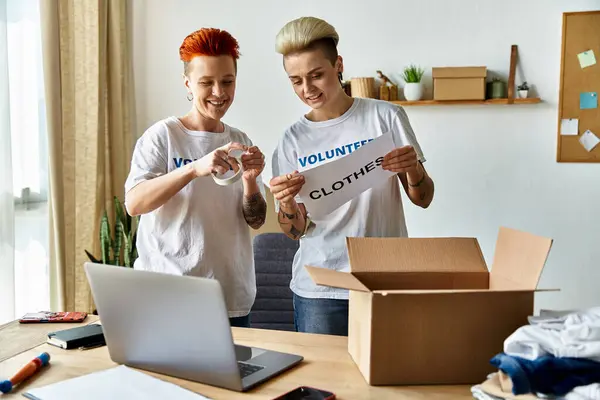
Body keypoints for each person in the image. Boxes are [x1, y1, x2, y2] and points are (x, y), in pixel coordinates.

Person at [269, 17, 435, 336]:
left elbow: (423, 198)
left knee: (386, 382)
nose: (307, 89)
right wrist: (287, 203)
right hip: (320, 288)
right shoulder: (292, 140)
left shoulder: (384, 117)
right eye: (296, 80)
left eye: (316, 75)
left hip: (383, 281)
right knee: (323, 384)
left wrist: (412, 167)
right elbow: (294, 231)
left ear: (338, 65)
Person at [124, 28, 267, 328]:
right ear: (187, 83)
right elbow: (134, 203)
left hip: (231, 300)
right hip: (170, 298)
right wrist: (193, 168)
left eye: (227, 81)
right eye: (206, 83)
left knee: (239, 376)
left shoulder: (239, 139)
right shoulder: (163, 136)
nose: (219, 93)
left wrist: (251, 181)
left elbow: (256, 219)